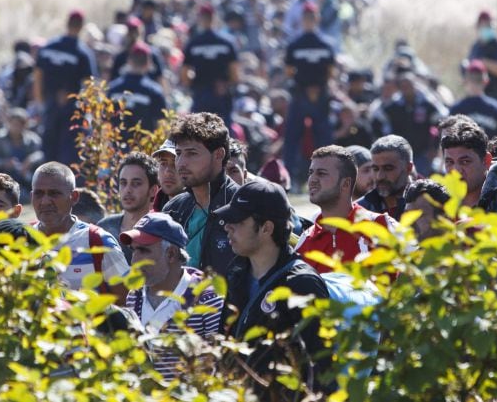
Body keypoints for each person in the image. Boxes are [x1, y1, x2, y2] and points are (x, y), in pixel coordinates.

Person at [215, 180, 331, 397]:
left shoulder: (302, 284)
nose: (226, 226)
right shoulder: (236, 275)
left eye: (237, 221)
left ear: (266, 228)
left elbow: (322, 370)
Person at [120, 213, 223, 379]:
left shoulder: (206, 298)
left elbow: (215, 366)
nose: (135, 261)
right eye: (133, 250)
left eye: (144, 250)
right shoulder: (135, 297)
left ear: (171, 254)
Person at [31, 162, 129, 299]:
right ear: (31, 196)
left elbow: (129, 302)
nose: (45, 201)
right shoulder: (21, 238)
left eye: (54, 194)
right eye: (39, 194)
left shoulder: (99, 241)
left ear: (74, 197)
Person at [295, 145, 393, 274]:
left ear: (345, 183)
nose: (312, 179)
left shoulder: (380, 225)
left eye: (321, 173)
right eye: (311, 172)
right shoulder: (305, 240)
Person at [163, 113, 238, 275]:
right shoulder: (173, 209)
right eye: (179, 153)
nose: (181, 162)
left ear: (219, 154)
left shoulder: (241, 206)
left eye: (192, 153)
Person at [34, 10, 97, 166]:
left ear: (66, 22)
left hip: (51, 105)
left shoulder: (49, 47)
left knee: (48, 152)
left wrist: (41, 101)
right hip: (71, 109)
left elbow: (37, 77)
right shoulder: (82, 52)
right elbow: (90, 86)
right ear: (81, 26)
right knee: (67, 156)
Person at [282, 2, 336, 182]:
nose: (309, 21)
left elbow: (289, 72)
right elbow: (330, 72)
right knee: (295, 138)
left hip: (309, 93)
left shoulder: (299, 44)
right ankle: (292, 177)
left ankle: (324, 176)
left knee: (319, 139)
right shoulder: (319, 44)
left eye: (311, 18)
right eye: (307, 18)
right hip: (307, 93)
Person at [381, 68, 448, 174]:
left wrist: (434, 147)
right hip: (400, 154)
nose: (407, 88)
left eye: (409, 85)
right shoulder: (394, 107)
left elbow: (440, 119)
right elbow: (382, 122)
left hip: (423, 153)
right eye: (403, 86)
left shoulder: (426, 104)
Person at [181, 4, 239, 126]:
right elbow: (235, 74)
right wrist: (226, 84)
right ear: (214, 18)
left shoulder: (194, 43)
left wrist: (196, 84)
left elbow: (184, 76)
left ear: (200, 18)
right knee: (223, 135)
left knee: (199, 136)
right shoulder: (227, 42)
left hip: (201, 95)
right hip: (221, 95)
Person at [98, 152, 160, 263]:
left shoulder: (162, 232)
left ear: (153, 190)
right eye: (123, 183)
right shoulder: (104, 228)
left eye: (136, 183)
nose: (128, 190)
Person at [0, 107, 44, 196]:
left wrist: (30, 161)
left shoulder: (33, 140)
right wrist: (4, 163)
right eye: (14, 124)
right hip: (5, 176)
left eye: (19, 124)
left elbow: (42, 154)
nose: (16, 127)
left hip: (26, 176)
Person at [107, 42, 167, 132]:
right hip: (145, 144)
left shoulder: (113, 88)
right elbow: (162, 124)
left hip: (115, 144)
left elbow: (105, 120)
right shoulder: (154, 91)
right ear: (148, 63)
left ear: (129, 61)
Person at [466, 11, 497, 114]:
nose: (486, 28)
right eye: (483, 25)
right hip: (481, 98)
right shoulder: (476, 46)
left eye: (488, 25)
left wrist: (484, 63)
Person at [357, 135, 414, 221]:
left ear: (408, 168)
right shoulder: (360, 210)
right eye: (375, 169)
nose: (380, 176)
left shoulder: (427, 206)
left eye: (388, 168)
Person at [450, 60, 497, 138]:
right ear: (486, 81)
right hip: (490, 150)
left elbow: (447, 139)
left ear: (465, 81)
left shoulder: (457, 108)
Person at [151, 140, 184, 212]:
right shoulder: (150, 217)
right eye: (163, 163)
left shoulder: (201, 211)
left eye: (175, 163)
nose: (167, 172)